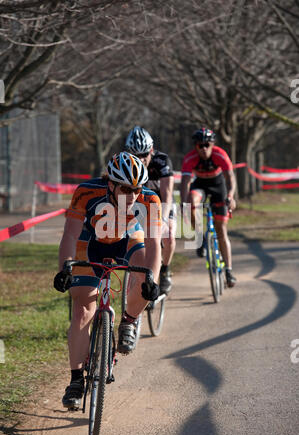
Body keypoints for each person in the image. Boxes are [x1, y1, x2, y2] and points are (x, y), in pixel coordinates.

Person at [54, 152, 162, 410]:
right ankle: (76, 380)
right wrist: (64, 269)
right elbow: (70, 234)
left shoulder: (150, 199)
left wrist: (152, 279)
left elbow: (154, 244)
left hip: (127, 241)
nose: (133, 195)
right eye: (126, 189)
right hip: (90, 243)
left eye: (137, 189)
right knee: (82, 308)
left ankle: (129, 320)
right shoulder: (86, 192)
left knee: (144, 278)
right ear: (110, 184)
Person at [180, 127, 237, 288]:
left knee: (221, 230)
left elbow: (230, 178)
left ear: (212, 145)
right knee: (190, 201)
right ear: (195, 146)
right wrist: (184, 203)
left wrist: (231, 196)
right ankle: (200, 238)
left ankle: (228, 270)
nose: (204, 148)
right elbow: (185, 182)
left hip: (218, 185)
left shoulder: (220, 154)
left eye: (207, 145)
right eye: (200, 145)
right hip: (200, 185)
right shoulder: (190, 158)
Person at [125, 126, 176, 295]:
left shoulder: (162, 161)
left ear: (151, 151)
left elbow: (167, 194)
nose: (140, 160)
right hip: (139, 205)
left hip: (162, 203)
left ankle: (165, 270)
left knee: (168, 237)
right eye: (136, 156)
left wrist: (162, 221)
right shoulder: (126, 164)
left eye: (144, 155)